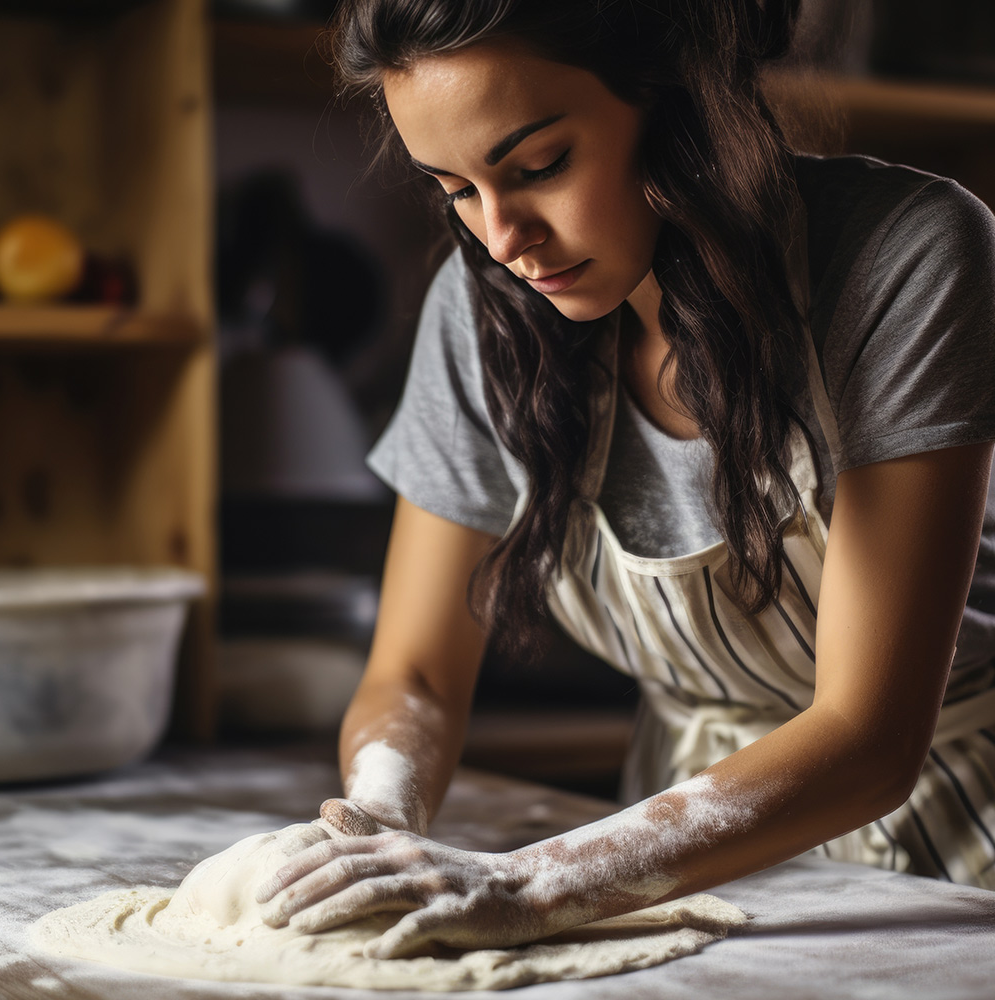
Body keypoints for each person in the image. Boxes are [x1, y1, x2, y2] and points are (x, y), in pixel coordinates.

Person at [256, 0, 995, 957]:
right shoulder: (481, 316)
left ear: (673, 99)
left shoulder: (910, 256)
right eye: (454, 189)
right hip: (667, 851)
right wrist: (378, 823)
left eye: (538, 167)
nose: (502, 238)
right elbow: (417, 674)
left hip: (961, 829)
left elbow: (869, 736)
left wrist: (528, 880)